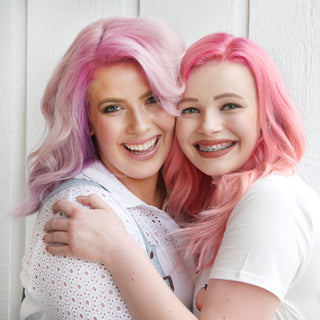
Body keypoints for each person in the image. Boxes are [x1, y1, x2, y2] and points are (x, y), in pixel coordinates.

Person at [44, 32, 320, 320]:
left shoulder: (271, 201)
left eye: (230, 106)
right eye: (190, 109)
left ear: (266, 114)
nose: (209, 126)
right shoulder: (220, 206)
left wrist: (117, 249)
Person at [17, 17, 194, 319]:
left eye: (152, 99)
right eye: (113, 108)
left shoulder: (183, 199)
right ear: (87, 122)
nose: (139, 125)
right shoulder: (78, 213)